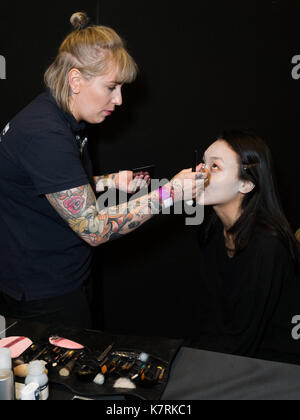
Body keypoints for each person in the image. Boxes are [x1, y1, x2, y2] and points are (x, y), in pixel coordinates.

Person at [0, 12, 205, 329]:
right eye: (111, 87)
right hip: (44, 292)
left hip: (63, 275)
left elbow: (48, 186)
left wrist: (109, 182)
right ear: (76, 80)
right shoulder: (45, 135)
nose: (119, 100)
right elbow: (93, 230)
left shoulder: (62, 115)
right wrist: (170, 193)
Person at [188, 129, 300, 365]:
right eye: (202, 164)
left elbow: (242, 338)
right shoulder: (213, 231)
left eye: (215, 166)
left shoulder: (267, 245)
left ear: (246, 185)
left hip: (277, 366)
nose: (199, 174)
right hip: (231, 357)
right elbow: (211, 318)